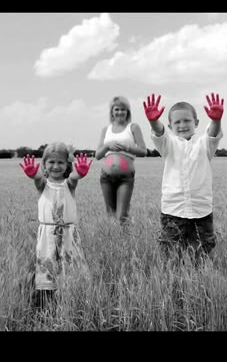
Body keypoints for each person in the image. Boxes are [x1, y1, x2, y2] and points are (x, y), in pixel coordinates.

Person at [143, 92, 224, 263]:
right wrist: (153, 121)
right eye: (177, 122)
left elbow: (213, 133)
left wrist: (216, 120)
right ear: (170, 126)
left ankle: (200, 281)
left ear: (196, 123)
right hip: (173, 210)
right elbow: (159, 133)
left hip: (201, 211)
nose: (182, 125)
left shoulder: (204, 145)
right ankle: (174, 282)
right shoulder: (168, 145)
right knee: (171, 253)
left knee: (203, 252)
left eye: (187, 120)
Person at [19, 143, 92, 309]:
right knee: (47, 271)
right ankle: (46, 305)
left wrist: (79, 173)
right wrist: (33, 174)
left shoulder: (69, 185)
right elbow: (38, 179)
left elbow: (74, 178)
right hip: (47, 236)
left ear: (67, 165)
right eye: (51, 162)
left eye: (60, 162)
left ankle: (71, 303)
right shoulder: (43, 185)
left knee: (70, 270)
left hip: (68, 235)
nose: (56, 166)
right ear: (44, 164)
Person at [96, 96, 147, 224]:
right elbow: (97, 155)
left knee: (122, 215)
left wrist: (127, 147)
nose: (120, 112)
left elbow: (143, 151)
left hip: (125, 178)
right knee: (110, 214)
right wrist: (107, 146)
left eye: (123, 109)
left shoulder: (133, 127)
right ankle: (114, 242)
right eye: (117, 109)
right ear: (112, 112)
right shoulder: (106, 130)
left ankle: (126, 240)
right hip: (105, 177)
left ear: (128, 112)